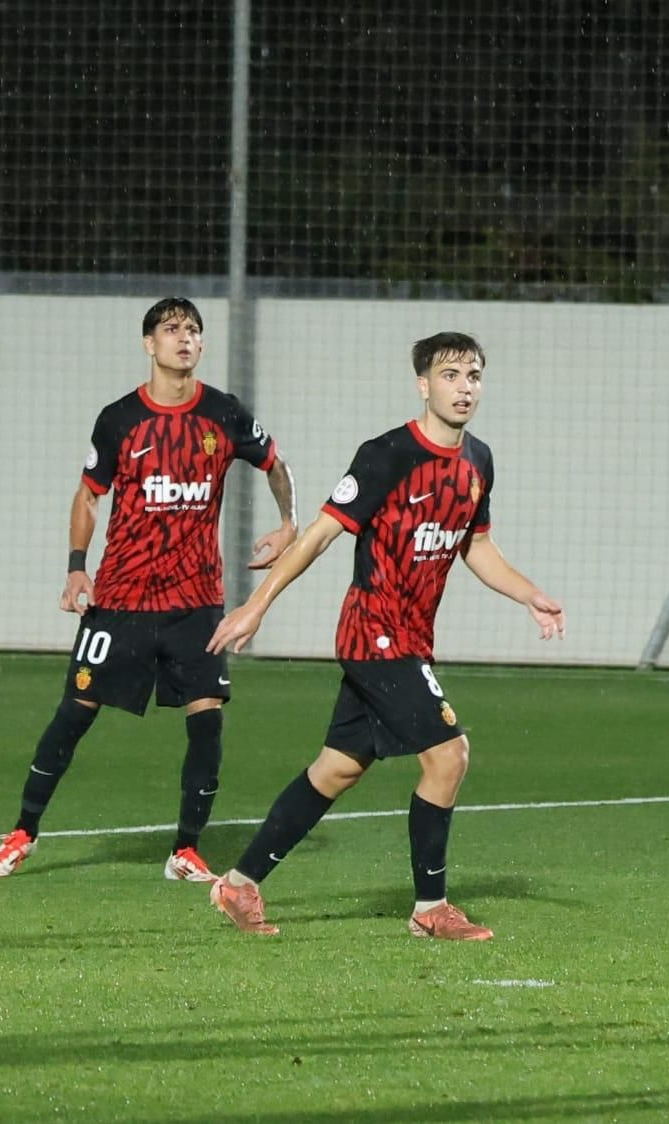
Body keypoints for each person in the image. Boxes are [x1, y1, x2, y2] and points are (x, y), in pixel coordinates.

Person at [205, 331, 564, 940]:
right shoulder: (387, 454)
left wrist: (528, 593)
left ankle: (238, 885)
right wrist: (257, 605)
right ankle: (430, 909)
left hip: (412, 638)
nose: (464, 388)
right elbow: (320, 533)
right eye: (450, 376)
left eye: (473, 376)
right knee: (450, 755)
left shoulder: (478, 461)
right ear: (423, 385)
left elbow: (475, 545)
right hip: (374, 632)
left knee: (336, 770)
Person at [0, 298, 297, 883]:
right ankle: (22, 833)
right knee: (74, 713)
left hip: (196, 601)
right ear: (150, 344)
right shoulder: (119, 419)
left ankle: (186, 850)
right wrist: (77, 568)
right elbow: (88, 494)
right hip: (122, 599)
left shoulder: (224, 413)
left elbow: (275, 462)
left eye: (193, 330)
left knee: (207, 718)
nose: (185, 338)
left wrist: (288, 522)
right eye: (171, 329)